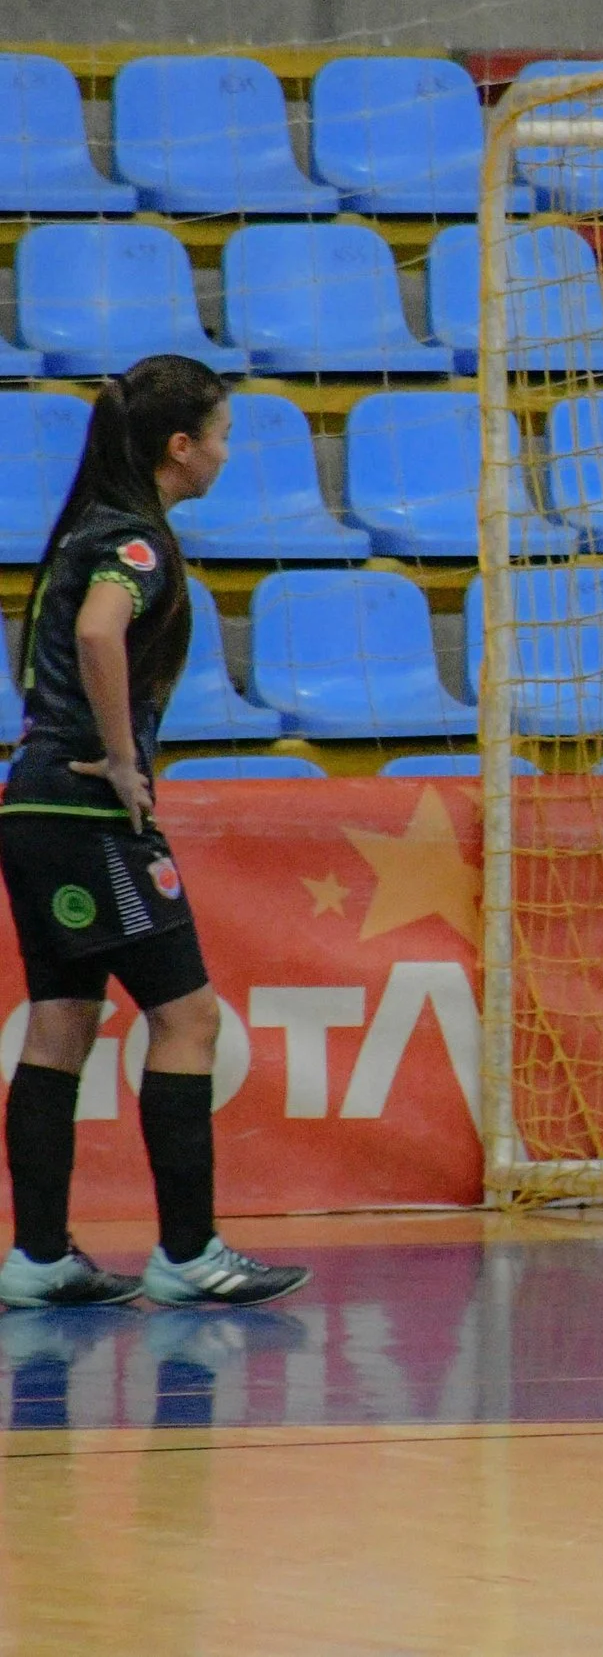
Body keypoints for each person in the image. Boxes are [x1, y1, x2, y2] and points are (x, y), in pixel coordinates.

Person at [0, 355, 310, 1310]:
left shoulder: (82, 532)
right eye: (221, 436)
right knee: (189, 1017)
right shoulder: (136, 546)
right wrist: (125, 758)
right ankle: (188, 1254)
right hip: (90, 809)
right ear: (182, 448)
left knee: (61, 1024)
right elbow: (99, 635)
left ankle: (40, 1258)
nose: (225, 453)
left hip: (32, 803)